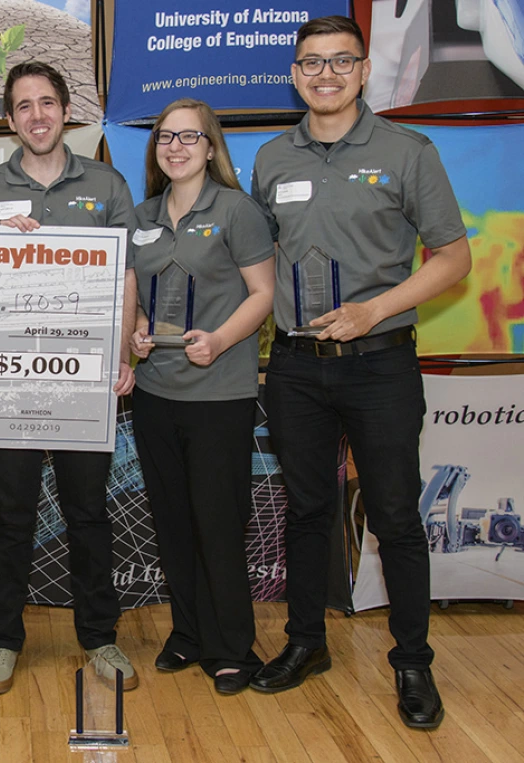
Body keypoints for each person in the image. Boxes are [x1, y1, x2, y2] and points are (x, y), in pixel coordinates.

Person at [248, 16, 471, 728]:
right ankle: (306, 641)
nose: (325, 75)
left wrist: (374, 311)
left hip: (380, 366)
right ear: (294, 74)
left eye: (341, 61)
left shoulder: (409, 150)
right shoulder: (271, 158)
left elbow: (453, 259)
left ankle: (412, 661)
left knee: (396, 517)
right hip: (294, 368)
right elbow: (256, 262)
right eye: (311, 63)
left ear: (365, 70)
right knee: (307, 512)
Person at [0, 61, 138, 695]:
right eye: (23, 106)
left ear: (66, 111)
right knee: (11, 515)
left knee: (89, 512)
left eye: (47, 103)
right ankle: (4, 638)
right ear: (10, 120)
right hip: (9, 383)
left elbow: (124, 278)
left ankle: (100, 636)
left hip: (84, 382)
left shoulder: (107, 183)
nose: (36, 115)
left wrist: (123, 356)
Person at [127, 99, 274, 695]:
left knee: (218, 521)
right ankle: (186, 634)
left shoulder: (238, 211)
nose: (177, 146)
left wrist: (218, 340)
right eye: (166, 136)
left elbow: (263, 294)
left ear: (212, 147)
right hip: (157, 393)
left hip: (220, 393)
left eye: (190, 136)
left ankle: (232, 646)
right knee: (173, 522)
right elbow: (133, 297)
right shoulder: (141, 216)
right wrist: (135, 334)